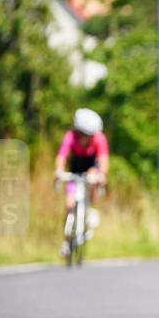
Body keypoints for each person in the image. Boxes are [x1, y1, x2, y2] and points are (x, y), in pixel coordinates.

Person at [54, 108, 109, 256]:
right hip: (75, 169)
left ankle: (91, 209)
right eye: (83, 134)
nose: (86, 138)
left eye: (89, 135)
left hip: (92, 167)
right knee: (69, 205)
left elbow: (103, 160)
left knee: (93, 176)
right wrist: (58, 170)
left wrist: (102, 175)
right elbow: (61, 156)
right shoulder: (70, 137)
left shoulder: (99, 138)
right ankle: (66, 242)